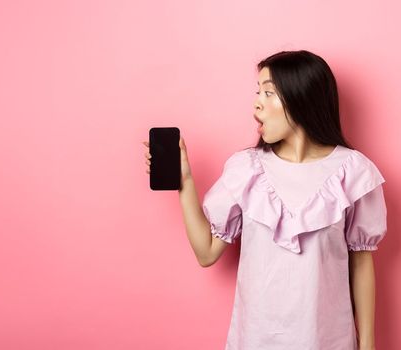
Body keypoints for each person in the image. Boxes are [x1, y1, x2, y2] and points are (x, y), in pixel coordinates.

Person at [143, 50, 385, 350]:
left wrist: (368, 344)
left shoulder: (352, 171)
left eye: (269, 93)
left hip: (327, 341)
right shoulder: (247, 169)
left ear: (302, 98)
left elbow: (361, 263)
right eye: (258, 92)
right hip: (256, 340)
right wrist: (185, 181)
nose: (257, 102)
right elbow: (206, 253)